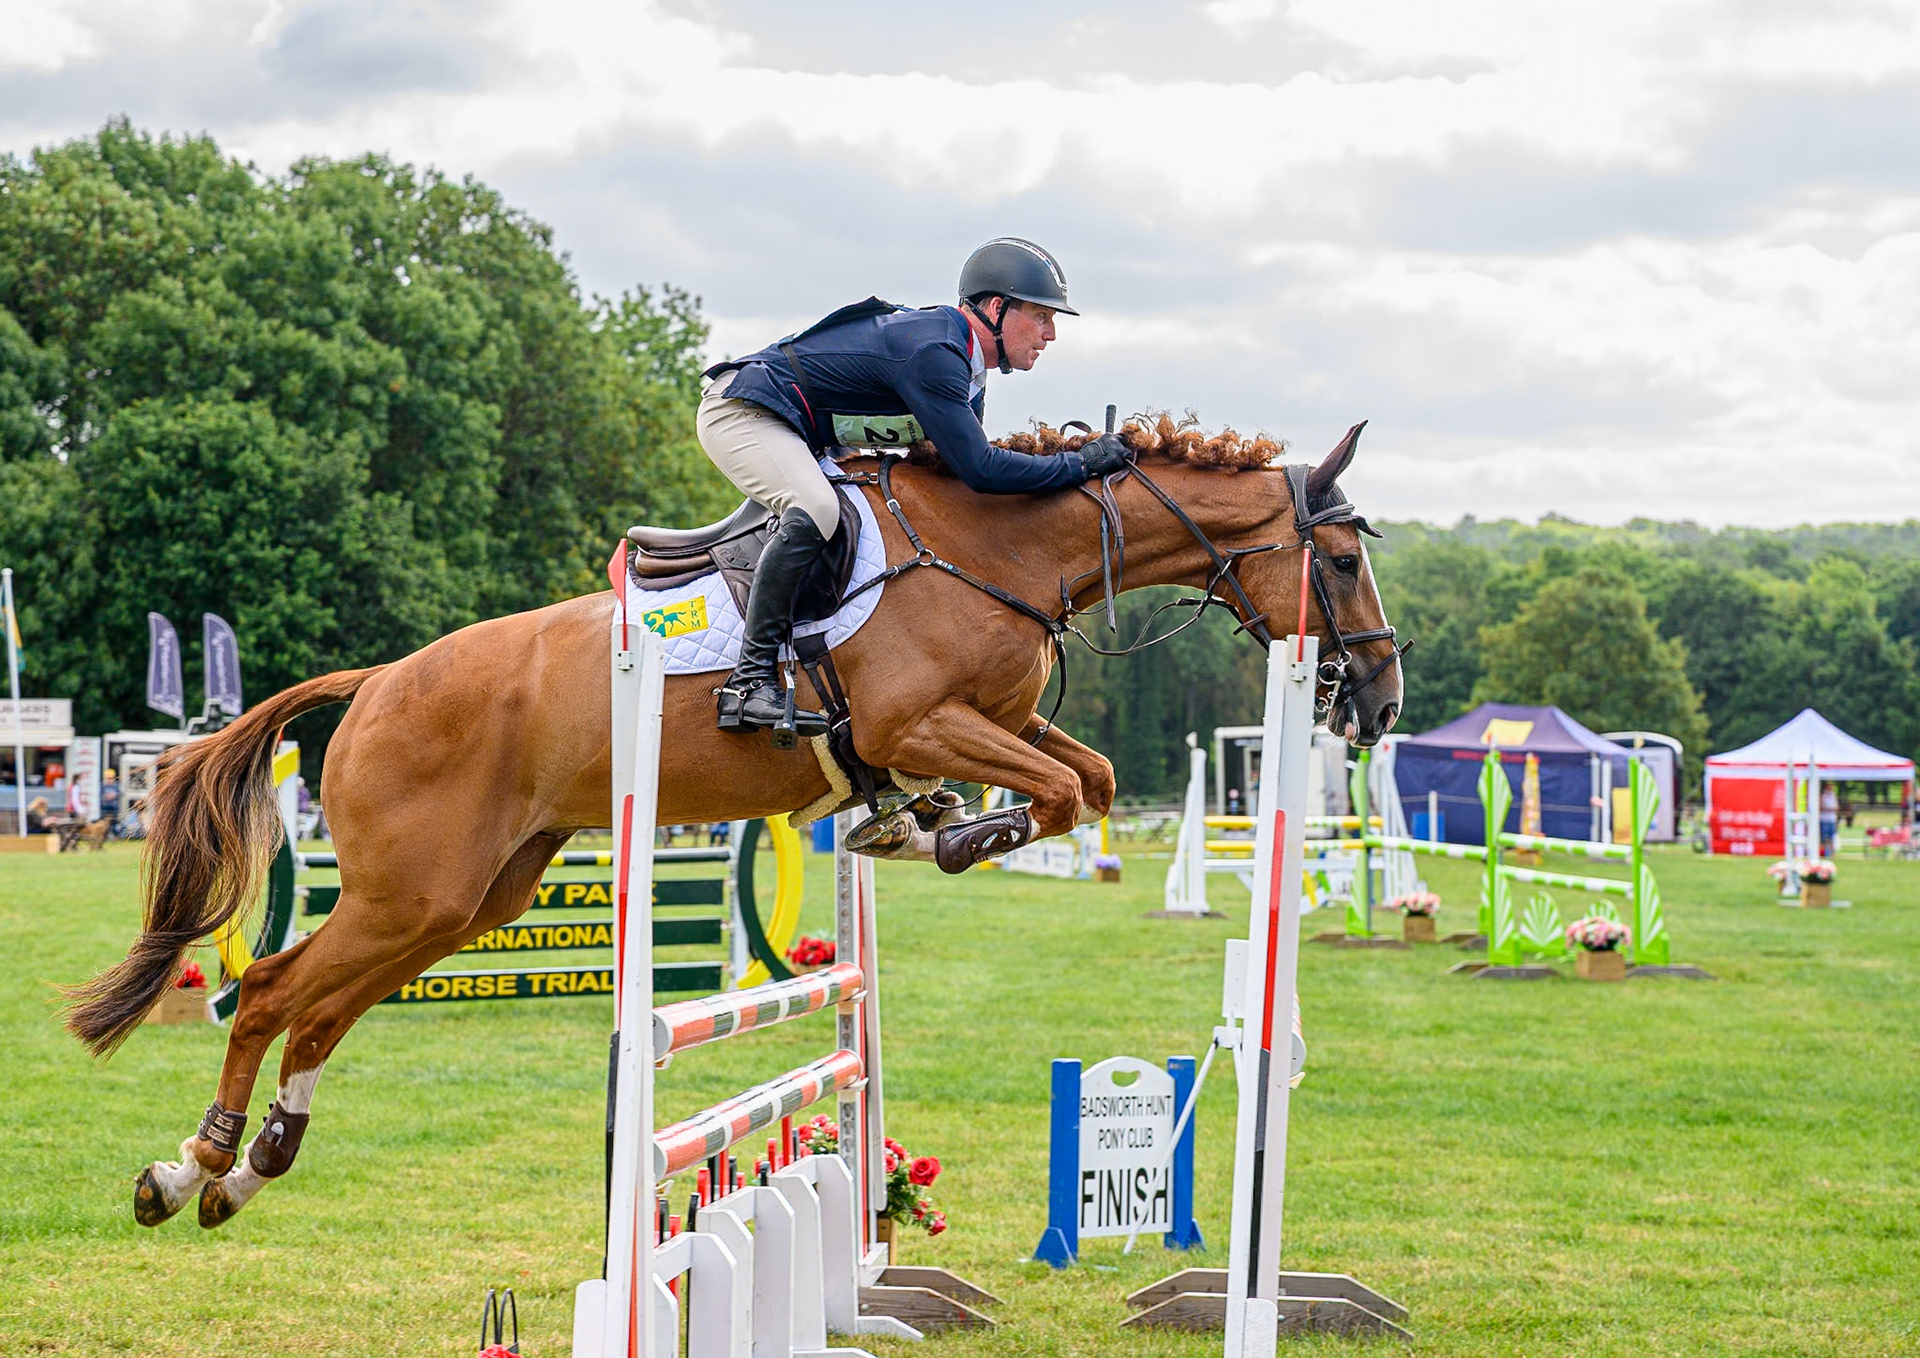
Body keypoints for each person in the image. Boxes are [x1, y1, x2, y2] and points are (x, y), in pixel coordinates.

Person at [694, 237, 1134, 737]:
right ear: (996, 308)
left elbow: (955, 476)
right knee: (817, 508)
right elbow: (982, 470)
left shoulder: (968, 368)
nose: (1050, 333)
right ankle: (748, 683)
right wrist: (1079, 465)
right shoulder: (936, 352)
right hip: (745, 412)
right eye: (1040, 316)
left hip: (802, 431)